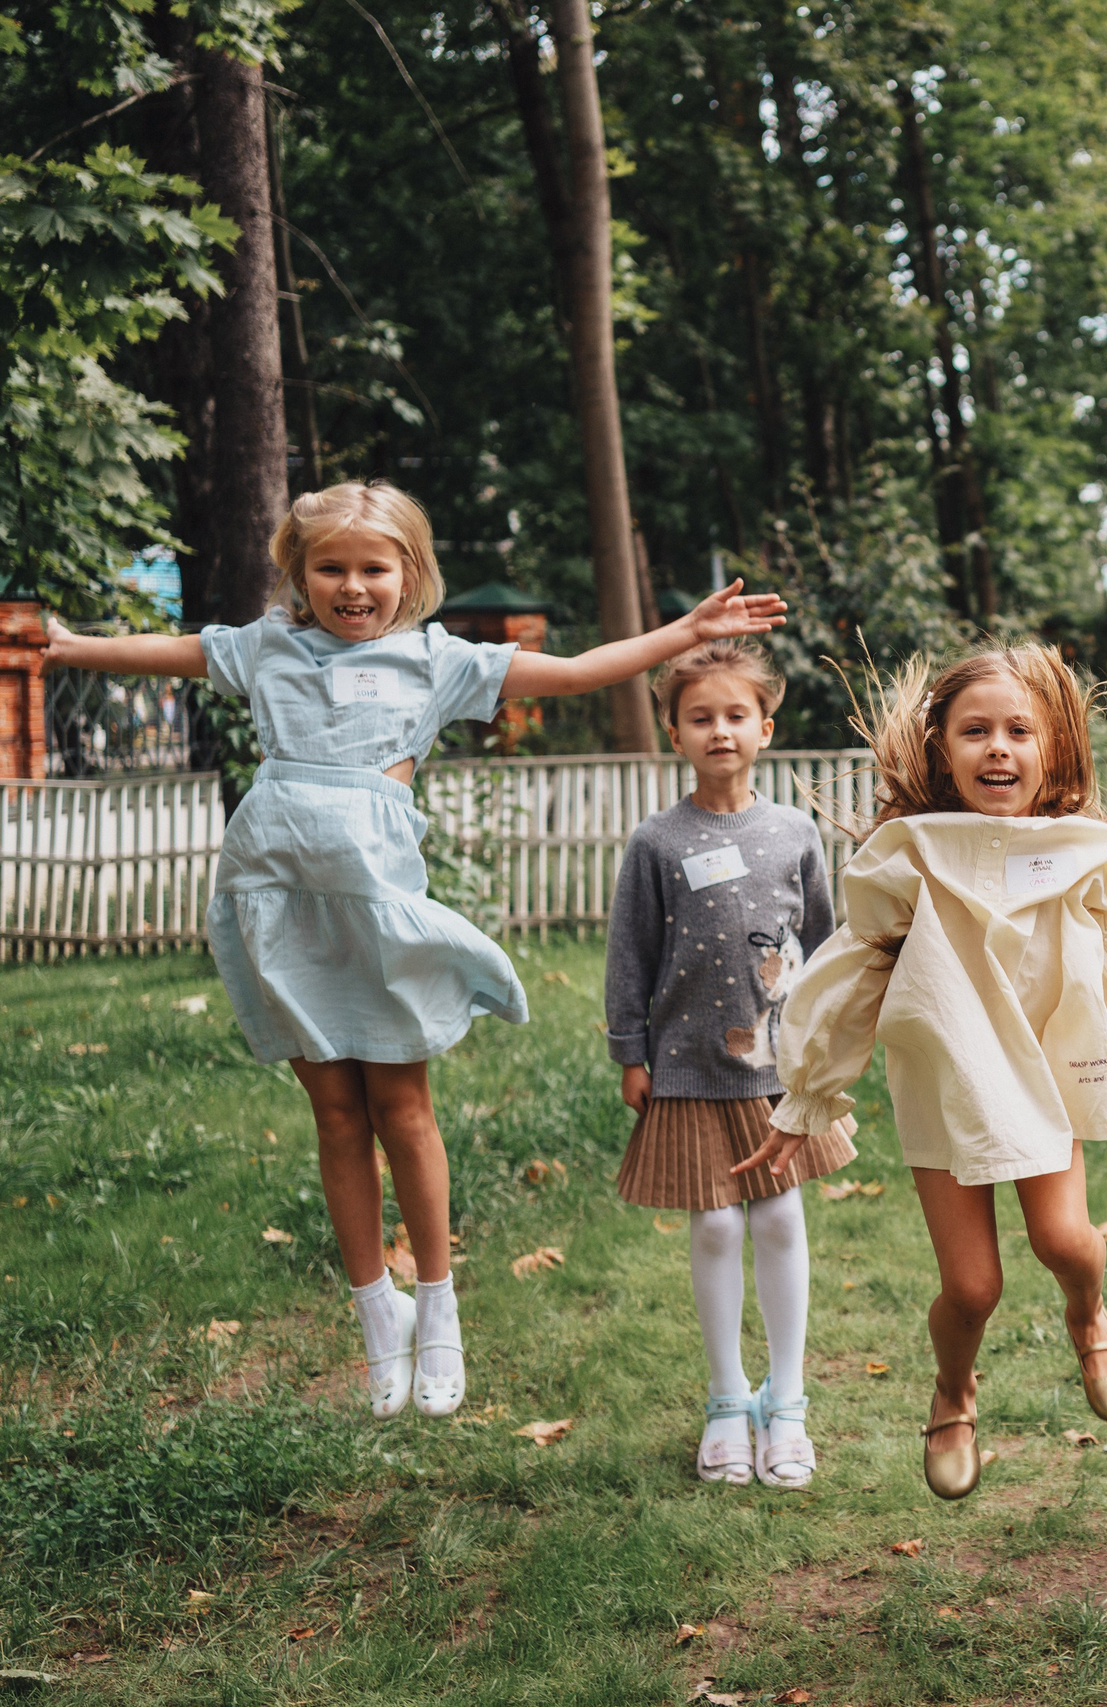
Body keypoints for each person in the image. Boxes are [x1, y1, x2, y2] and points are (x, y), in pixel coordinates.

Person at [43, 481, 786, 1422]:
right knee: (336, 1117)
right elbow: (172, 651)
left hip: (379, 904)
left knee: (401, 1105)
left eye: (373, 568)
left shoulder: (435, 660)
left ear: (409, 573)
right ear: (298, 575)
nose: (353, 586)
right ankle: (374, 1311)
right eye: (331, 569)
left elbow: (581, 669)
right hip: (279, 896)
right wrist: (68, 646)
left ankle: (438, 1302)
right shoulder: (267, 647)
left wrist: (684, 630)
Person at [767, 644, 1107, 1500]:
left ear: (1053, 747)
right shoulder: (908, 855)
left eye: (1020, 730)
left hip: (1046, 1071)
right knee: (972, 1285)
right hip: (943, 1075)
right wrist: (810, 1093)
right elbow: (853, 968)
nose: (999, 748)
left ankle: (1089, 1316)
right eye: (975, 730)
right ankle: (953, 1389)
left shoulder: (1083, 851)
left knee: (1063, 1240)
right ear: (941, 745)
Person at [605, 639, 853, 1488]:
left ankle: (786, 1405)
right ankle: (725, 1400)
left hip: (776, 1071)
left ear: (765, 728)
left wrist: (829, 1052)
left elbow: (825, 950)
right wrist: (628, 1050)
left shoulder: (794, 833)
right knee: (713, 1225)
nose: (720, 730)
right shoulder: (656, 841)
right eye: (700, 716)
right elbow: (629, 956)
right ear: (674, 731)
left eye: (735, 715)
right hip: (684, 1066)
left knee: (780, 1219)